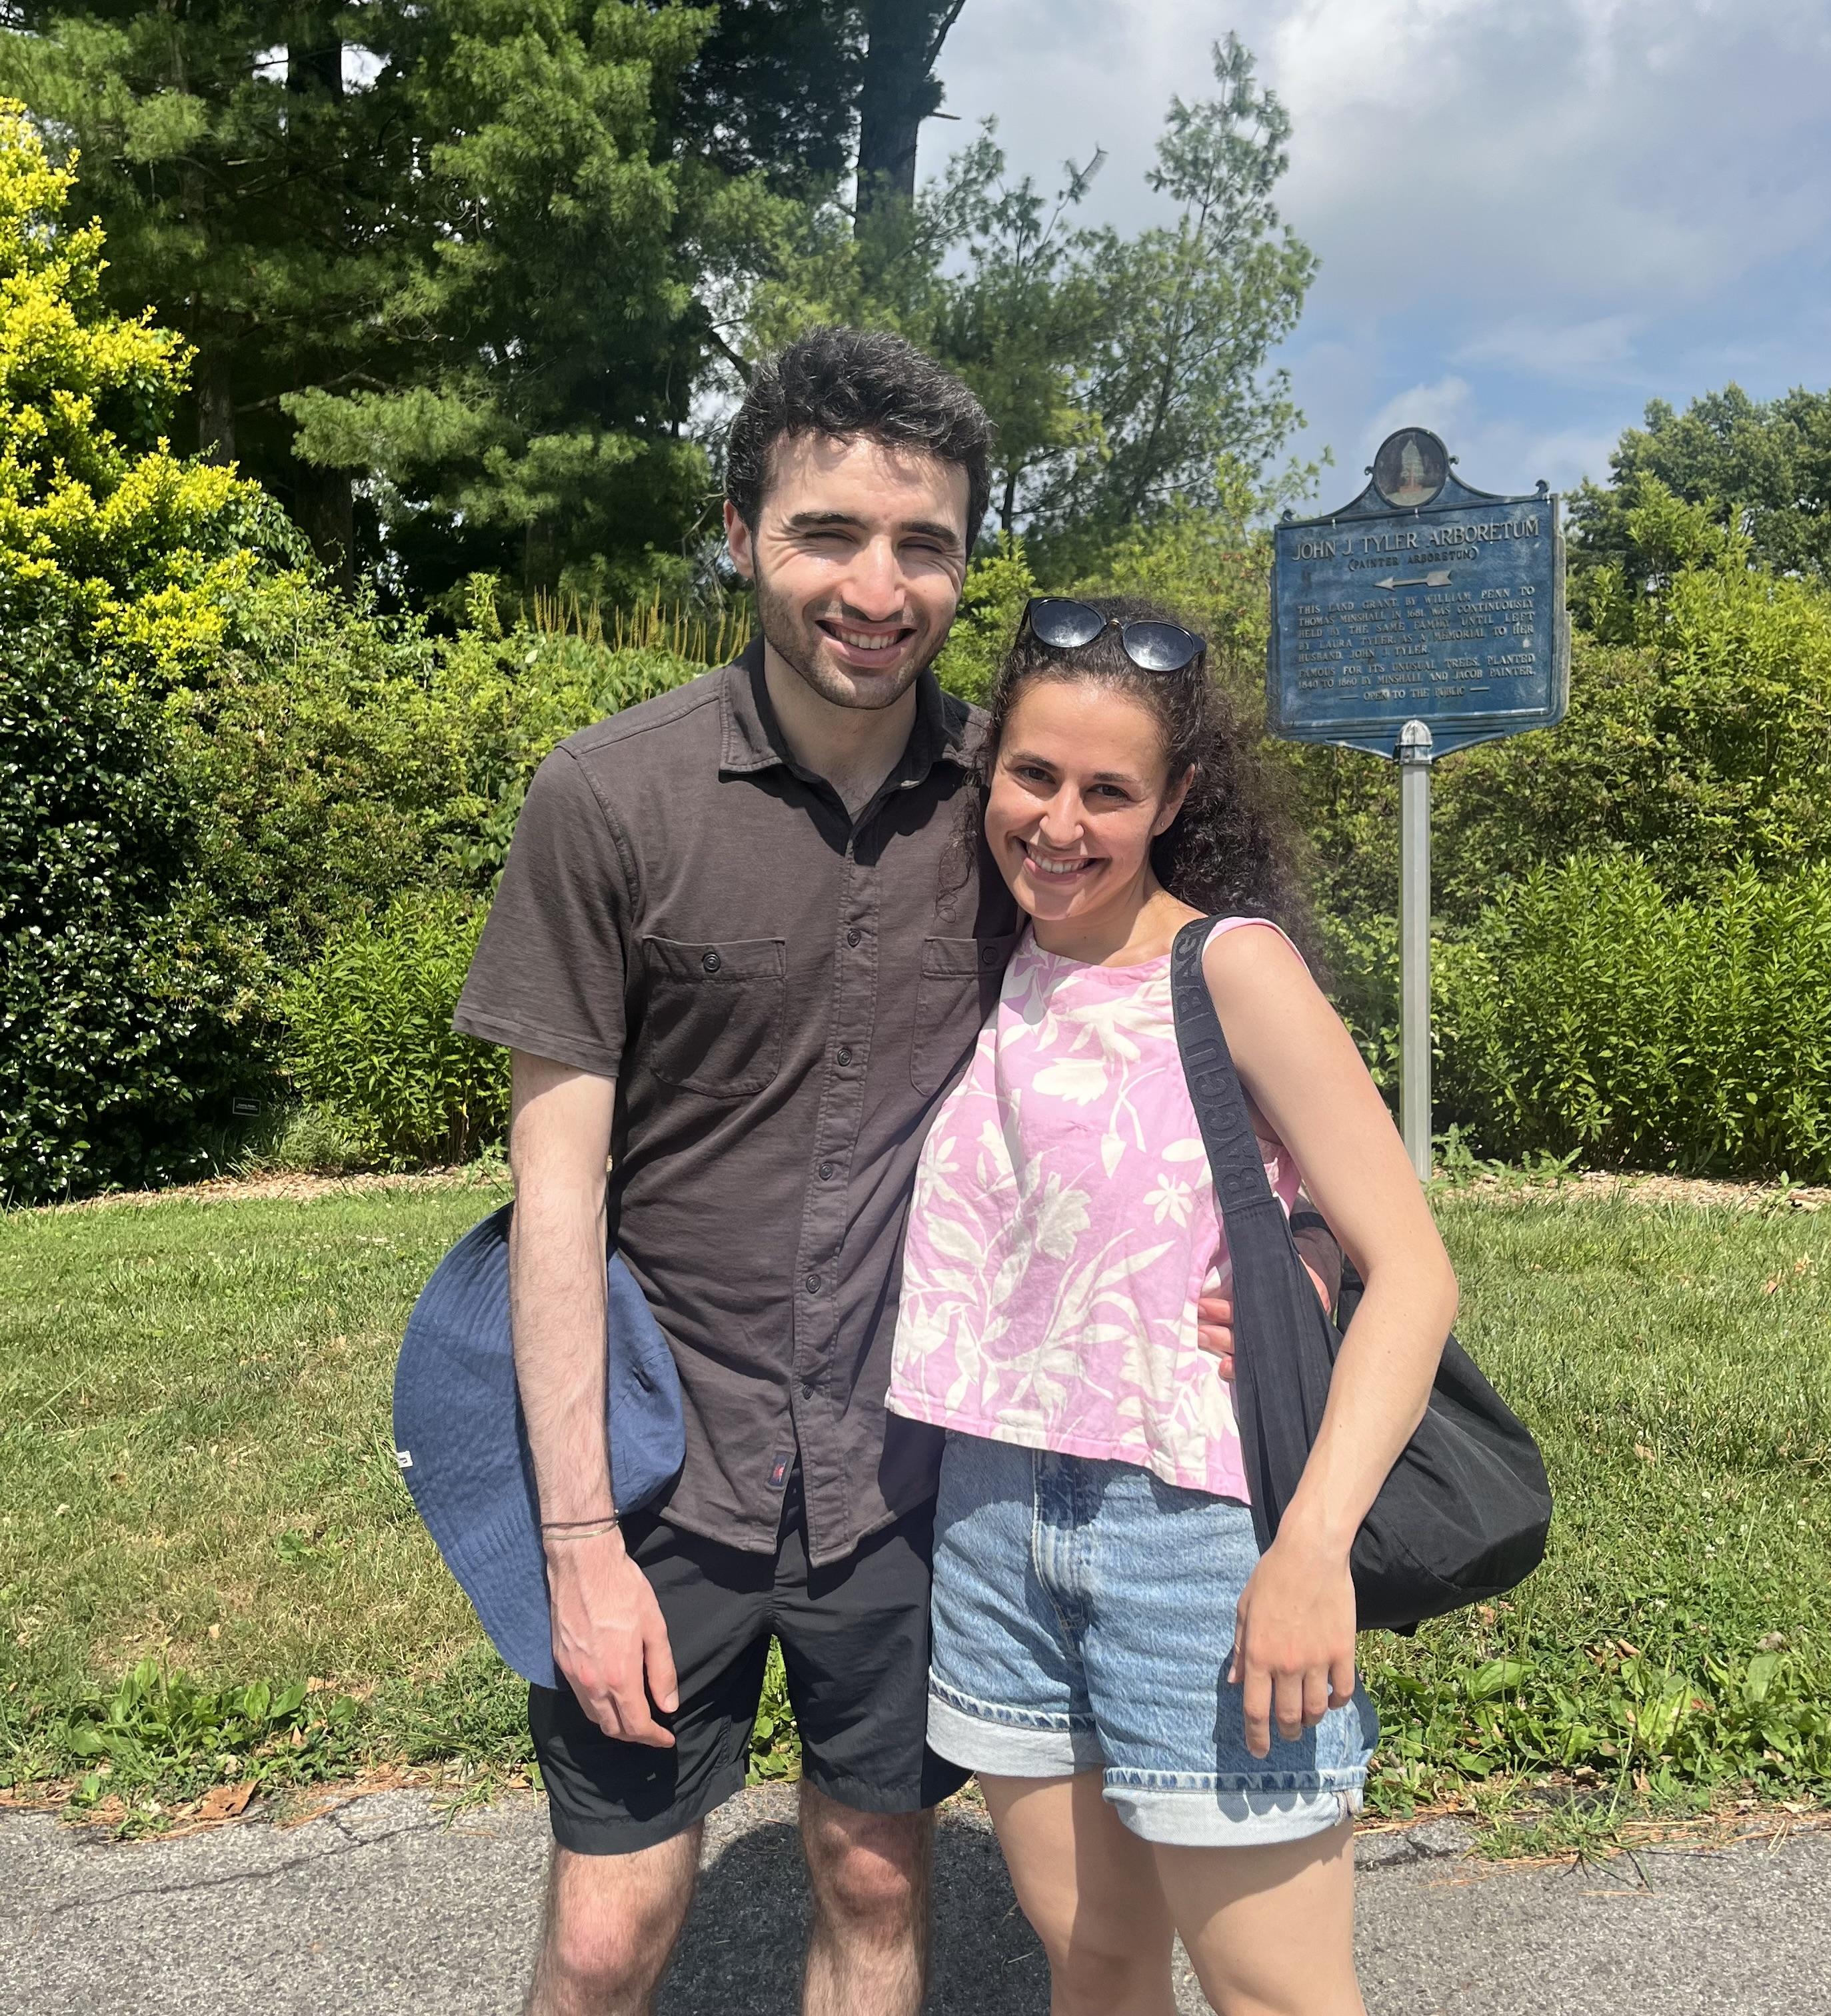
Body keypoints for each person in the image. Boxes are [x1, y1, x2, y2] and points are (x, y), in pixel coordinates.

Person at [450, 331, 1344, 2016]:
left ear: (963, 561)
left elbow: (1195, 1010)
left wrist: (1294, 1244)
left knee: (873, 1875)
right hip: (667, 1471)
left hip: (914, 1473)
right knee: (602, 1931)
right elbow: (551, 1200)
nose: (877, 586)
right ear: (739, 535)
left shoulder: (1020, 812)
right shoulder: (607, 800)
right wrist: (576, 1541)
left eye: (922, 544)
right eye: (827, 535)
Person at [886, 595, 1458, 2016]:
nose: (1059, 824)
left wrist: (1311, 1548)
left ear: (1176, 798)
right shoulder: (989, 956)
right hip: (991, 1517)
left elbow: (1418, 1272)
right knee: (1097, 1961)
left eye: (1108, 792)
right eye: (1032, 777)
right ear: (989, 773)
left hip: (1194, 1539)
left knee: (1274, 1992)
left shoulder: (1231, 969)